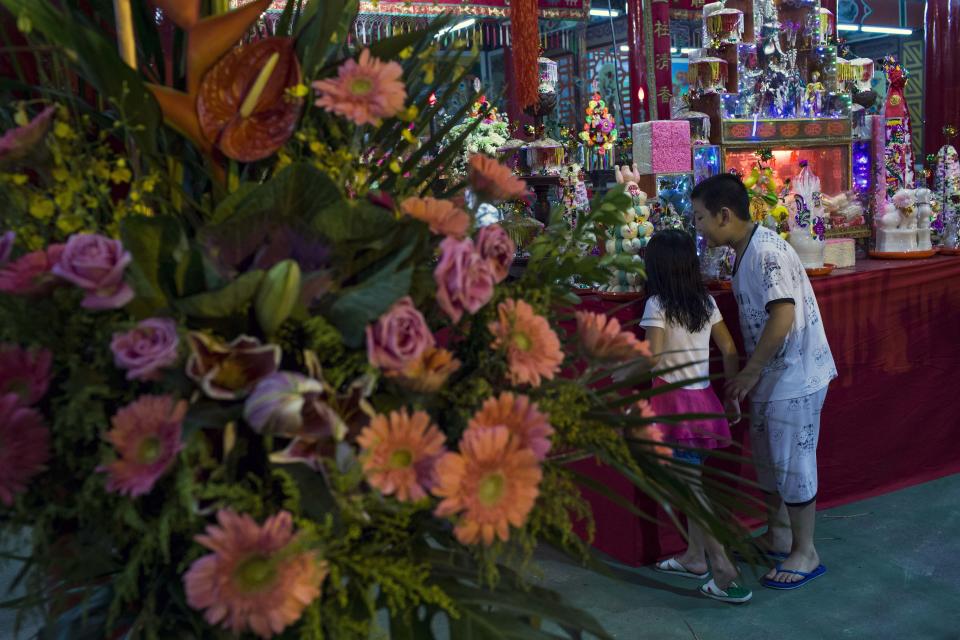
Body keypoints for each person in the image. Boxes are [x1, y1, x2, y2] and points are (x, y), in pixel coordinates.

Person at [691, 173, 837, 591]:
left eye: (701, 218)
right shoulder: (746, 250)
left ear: (724, 215)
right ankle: (780, 535)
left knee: (792, 462)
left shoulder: (767, 253)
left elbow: (783, 315)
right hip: (772, 375)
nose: (698, 227)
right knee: (770, 459)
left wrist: (750, 372)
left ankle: (805, 551)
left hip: (795, 375)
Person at [640, 229, 750, 604]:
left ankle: (722, 569)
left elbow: (652, 361)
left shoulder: (656, 304)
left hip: (673, 406)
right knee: (694, 481)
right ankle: (694, 557)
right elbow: (729, 348)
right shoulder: (704, 301)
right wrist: (730, 391)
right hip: (703, 401)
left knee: (691, 490)